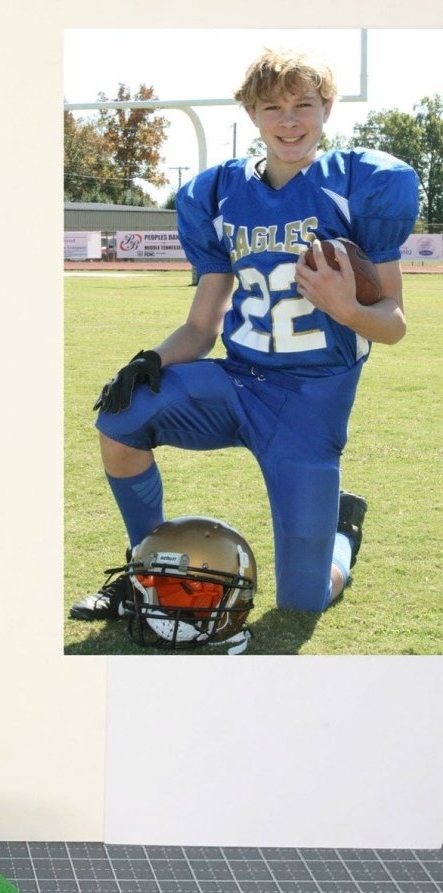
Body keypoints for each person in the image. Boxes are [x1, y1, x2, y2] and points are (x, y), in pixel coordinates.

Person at [70, 48, 419, 625]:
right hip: (237, 382)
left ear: (327, 109)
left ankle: (342, 535)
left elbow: (395, 322)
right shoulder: (219, 194)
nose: (289, 120)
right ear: (252, 114)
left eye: (303, 105)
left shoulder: (358, 184)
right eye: (273, 107)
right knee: (121, 416)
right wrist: (150, 359)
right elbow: (201, 327)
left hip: (311, 404)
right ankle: (141, 573)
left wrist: (345, 308)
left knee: (302, 601)